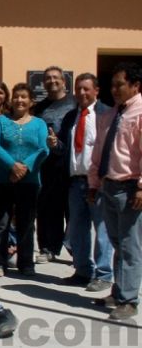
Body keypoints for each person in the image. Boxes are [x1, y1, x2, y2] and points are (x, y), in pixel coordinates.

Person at [47, 73, 114, 290]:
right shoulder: (70, 117)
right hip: (75, 182)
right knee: (78, 229)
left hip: (98, 182)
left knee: (101, 230)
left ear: (96, 91)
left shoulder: (106, 114)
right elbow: (67, 149)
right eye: (78, 89)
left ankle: (103, 275)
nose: (82, 93)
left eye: (86, 89)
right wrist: (56, 144)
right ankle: (83, 270)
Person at [88, 62, 142, 320]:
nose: (115, 89)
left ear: (135, 85)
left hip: (131, 187)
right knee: (118, 242)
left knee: (131, 245)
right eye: (112, 85)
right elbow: (99, 149)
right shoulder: (110, 114)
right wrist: (93, 183)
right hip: (108, 186)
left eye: (120, 84)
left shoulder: (140, 113)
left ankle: (129, 301)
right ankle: (118, 291)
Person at [0, 83, 48, 277]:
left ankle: (26, 263)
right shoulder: (1, 121)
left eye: (24, 97)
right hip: (2, 179)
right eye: (16, 96)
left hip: (29, 181)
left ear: (31, 101)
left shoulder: (39, 123)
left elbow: (43, 149)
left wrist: (25, 167)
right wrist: (12, 166)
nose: (19, 100)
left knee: (26, 224)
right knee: (0, 223)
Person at [34, 66, 77, 264]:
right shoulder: (39, 107)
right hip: (47, 165)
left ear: (64, 81)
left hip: (71, 164)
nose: (52, 81)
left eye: (55, 78)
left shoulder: (75, 103)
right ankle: (47, 248)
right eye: (48, 78)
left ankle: (76, 248)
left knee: (73, 211)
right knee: (48, 209)